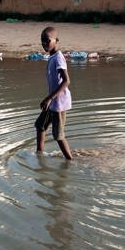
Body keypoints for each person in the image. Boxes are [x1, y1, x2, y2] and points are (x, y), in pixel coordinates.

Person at [35, 27, 73, 160]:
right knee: (40, 125)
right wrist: (49, 99)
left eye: (47, 41)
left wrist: (49, 98)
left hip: (59, 103)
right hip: (52, 102)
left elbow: (66, 81)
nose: (44, 44)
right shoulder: (52, 57)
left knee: (58, 135)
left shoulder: (58, 58)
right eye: (42, 41)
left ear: (56, 41)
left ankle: (70, 160)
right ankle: (39, 155)